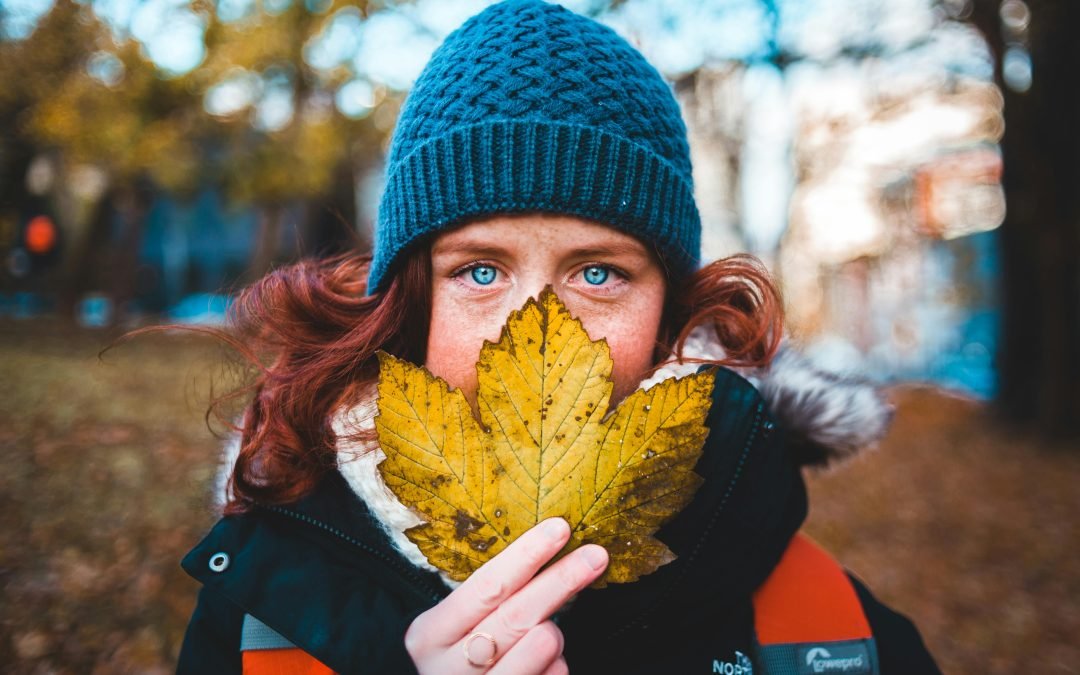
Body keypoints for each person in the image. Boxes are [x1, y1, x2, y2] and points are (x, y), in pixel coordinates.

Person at [176, 1, 941, 673]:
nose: (538, 331)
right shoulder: (263, 616)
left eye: (599, 273)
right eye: (479, 271)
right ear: (409, 303)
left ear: (672, 314)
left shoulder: (830, 636)